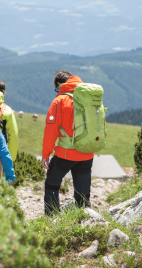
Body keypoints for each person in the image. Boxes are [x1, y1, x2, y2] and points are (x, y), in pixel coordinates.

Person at [41, 70, 94, 215]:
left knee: (52, 184)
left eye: (56, 88)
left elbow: (51, 131)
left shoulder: (59, 100)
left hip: (66, 152)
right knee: (82, 193)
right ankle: (85, 220)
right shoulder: (89, 97)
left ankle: (52, 220)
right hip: (87, 152)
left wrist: (46, 154)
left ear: (59, 84)